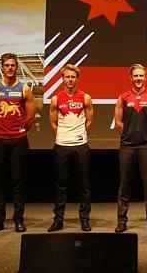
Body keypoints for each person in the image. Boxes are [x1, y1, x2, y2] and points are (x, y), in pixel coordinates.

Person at [0, 53, 35, 233]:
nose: (10, 68)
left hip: (19, 141)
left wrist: (18, 132)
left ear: (17, 67)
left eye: (13, 65)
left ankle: (18, 220)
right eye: (7, 65)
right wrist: (0, 131)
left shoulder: (25, 89)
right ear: (2, 67)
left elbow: (30, 118)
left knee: (18, 182)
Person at [114, 64, 147, 233]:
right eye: (136, 76)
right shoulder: (123, 97)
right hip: (127, 146)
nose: (139, 78)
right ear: (131, 77)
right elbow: (118, 122)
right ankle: (122, 221)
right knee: (124, 185)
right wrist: (128, 134)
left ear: (145, 77)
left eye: (141, 75)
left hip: (146, 146)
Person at [47, 64, 94, 232]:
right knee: (61, 185)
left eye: (73, 77)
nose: (70, 80)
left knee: (84, 185)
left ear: (77, 78)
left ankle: (85, 219)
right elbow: (53, 122)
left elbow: (89, 121)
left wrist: (79, 134)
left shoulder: (85, 98)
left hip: (81, 145)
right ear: (62, 78)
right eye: (67, 77)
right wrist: (63, 136)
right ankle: (58, 220)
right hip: (62, 146)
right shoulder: (55, 99)